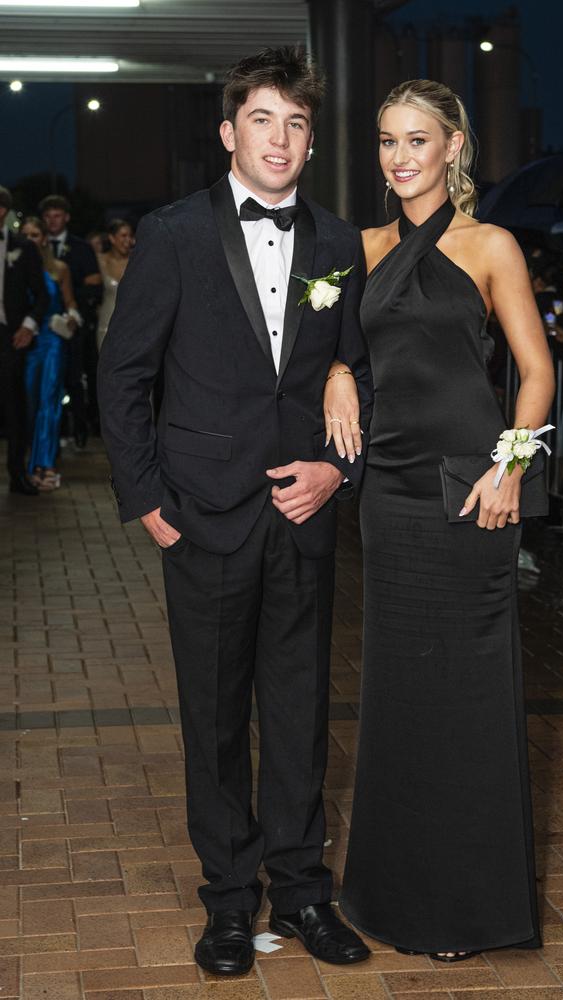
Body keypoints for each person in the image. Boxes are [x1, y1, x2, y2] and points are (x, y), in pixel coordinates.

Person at [98, 46, 373, 979]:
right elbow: (124, 374)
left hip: (305, 514)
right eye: (263, 119)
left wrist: (339, 473)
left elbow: (358, 371)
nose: (282, 138)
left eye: (297, 122)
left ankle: (302, 894)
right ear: (229, 131)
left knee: (298, 714)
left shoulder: (338, 245)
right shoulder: (173, 233)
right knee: (215, 718)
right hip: (203, 516)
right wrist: (147, 502)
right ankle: (229, 902)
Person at [334, 79, 554, 960]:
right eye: (388, 141)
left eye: (417, 140)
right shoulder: (361, 246)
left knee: (467, 698)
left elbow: (536, 375)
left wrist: (510, 467)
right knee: (400, 694)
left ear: (454, 146)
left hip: (471, 489)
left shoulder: (490, 244)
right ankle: (389, 893)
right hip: (388, 491)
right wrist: (336, 374)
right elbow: (339, 348)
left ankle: (466, 908)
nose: (400, 157)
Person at [21, 217, 79, 491]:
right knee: (30, 405)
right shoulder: (16, 268)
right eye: (26, 235)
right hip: (27, 343)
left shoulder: (59, 268)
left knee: (49, 402)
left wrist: (72, 318)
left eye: (35, 235)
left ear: (44, 238)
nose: (31, 239)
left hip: (53, 340)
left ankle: (46, 465)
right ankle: (33, 461)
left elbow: (70, 303)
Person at [39, 194, 102, 446]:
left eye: (56, 215)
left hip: (76, 323)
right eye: (47, 216)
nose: (52, 221)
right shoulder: (37, 247)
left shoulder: (80, 248)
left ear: (66, 217)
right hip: (44, 323)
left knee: (76, 377)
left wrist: (72, 307)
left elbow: (94, 285)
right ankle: (57, 428)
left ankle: (80, 428)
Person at [0, 186, 49, 495]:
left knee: (14, 407)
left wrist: (29, 326)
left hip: (10, 337)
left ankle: (18, 473)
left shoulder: (23, 248)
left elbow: (41, 296)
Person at [96, 219, 134, 352]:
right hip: (107, 324)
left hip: (133, 325)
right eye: (123, 235)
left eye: (130, 235)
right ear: (112, 238)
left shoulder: (137, 261)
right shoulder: (99, 260)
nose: (128, 240)